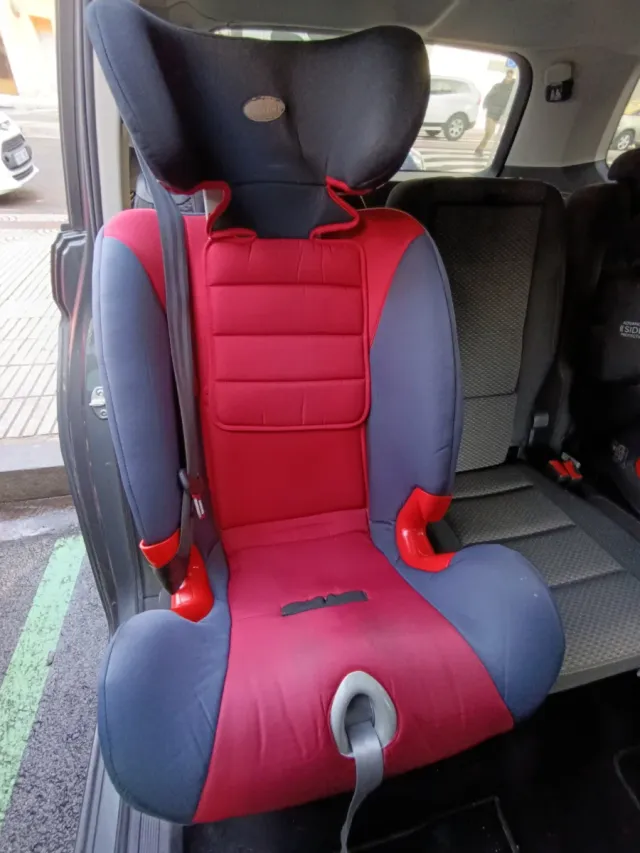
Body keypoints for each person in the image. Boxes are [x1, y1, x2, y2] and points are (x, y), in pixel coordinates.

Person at [475, 68, 515, 156]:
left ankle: (484, 149)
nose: (508, 77)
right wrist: (486, 105)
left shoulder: (514, 89)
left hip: (502, 113)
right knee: (489, 132)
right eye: (507, 75)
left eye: (510, 75)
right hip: (492, 112)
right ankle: (480, 149)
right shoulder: (498, 86)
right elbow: (489, 95)